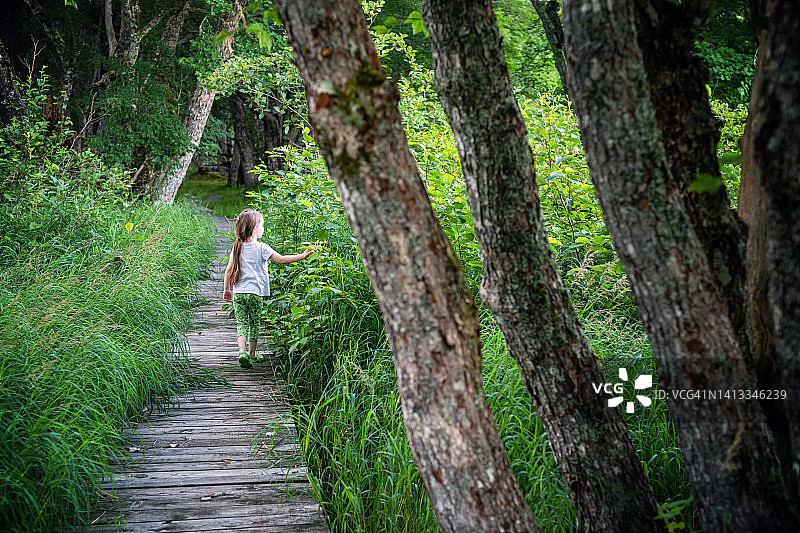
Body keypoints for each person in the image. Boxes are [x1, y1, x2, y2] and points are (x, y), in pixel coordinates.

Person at [223, 208, 314, 368]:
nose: (263, 229)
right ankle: (251, 355)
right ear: (255, 229)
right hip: (255, 294)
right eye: (262, 226)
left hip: (238, 293)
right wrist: (303, 256)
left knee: (241, 323)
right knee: (253, 324)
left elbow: (228, 271)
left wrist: (226, 289)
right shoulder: (262, 248)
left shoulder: (237, 247)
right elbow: (282, 259)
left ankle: (242, 352)